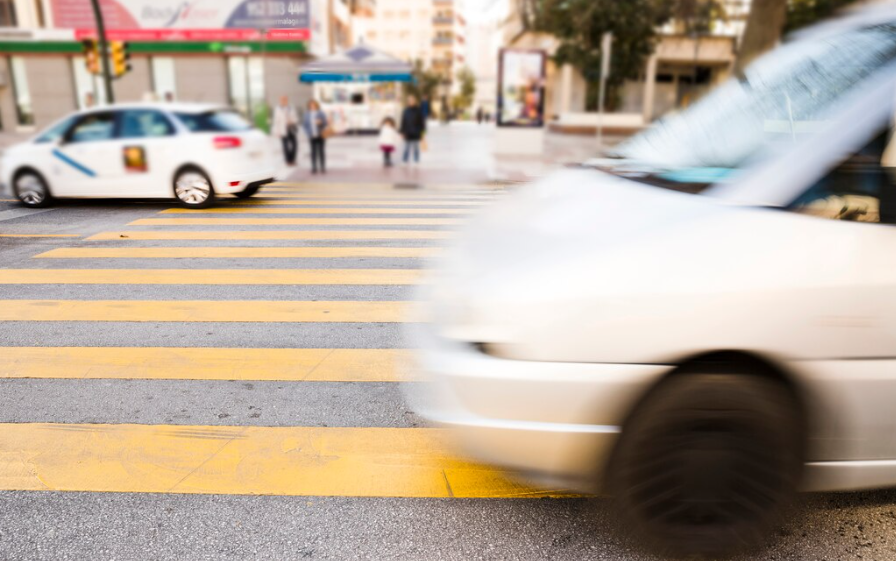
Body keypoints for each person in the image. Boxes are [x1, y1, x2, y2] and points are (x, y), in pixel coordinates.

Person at [303, 99, 329, 174]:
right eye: (311, 105)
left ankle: (322, 167)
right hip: (312, 135)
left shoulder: (321, 113)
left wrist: (321, 122)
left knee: (321, 151)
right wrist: (308, 133)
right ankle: (314, 167)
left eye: (314, 105)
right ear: (309, 106)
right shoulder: (307, 114)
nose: (312, 106)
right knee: (313, 152)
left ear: (316, 105)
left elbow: (326, 123)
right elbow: (305, 125)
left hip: (320, 135)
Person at [400, 95, 427, 166]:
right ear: (408, 102)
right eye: (409, 101)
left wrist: (423, 133)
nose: (411, 102)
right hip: (407, 132)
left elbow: (422, 123)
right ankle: (405, 160)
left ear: (415, 101)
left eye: (412, 100)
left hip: (416, 132)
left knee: (416, 148)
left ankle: (416, 160)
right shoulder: (405, 111)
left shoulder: (418, 111)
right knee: (406, 148)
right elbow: (403, 122)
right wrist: (402, 132)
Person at [272, 96, 299, 166]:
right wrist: (277, 131)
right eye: (282, 99)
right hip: (282, 129)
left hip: (291, 128)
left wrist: (292, 121)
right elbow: (276, 121)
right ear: (280, 100)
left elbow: (296, 118)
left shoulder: (291, 107)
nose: (284, 100)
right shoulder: (277, 109)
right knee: (285, 146)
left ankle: (293, 159)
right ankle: (288, 161)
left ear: (287, 100)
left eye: (285, 99)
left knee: (295, 145)